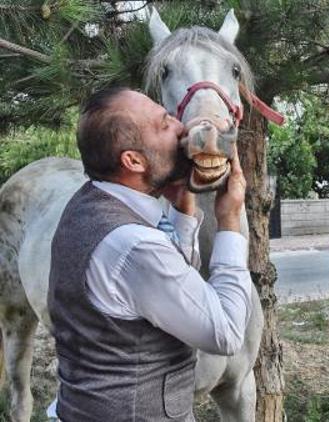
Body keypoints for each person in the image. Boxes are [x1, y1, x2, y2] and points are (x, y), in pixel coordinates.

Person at [47, 87, 254, 421]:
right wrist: (229, 219)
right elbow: (227, 332)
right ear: (133, 160)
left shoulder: (88, 203)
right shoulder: (135, 245)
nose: (181, 127)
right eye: (164, 124)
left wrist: (184, 209)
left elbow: (164, 285)